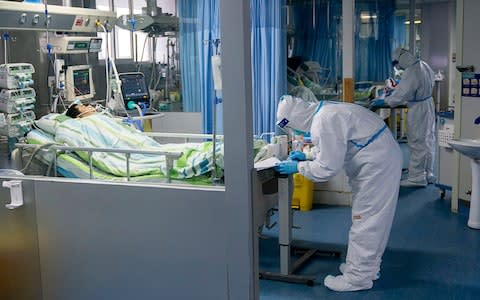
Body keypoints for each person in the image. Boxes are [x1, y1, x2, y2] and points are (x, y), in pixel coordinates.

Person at [275, 96, 402, 292]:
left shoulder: (323, 121)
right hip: (380, 158)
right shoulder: (325, 111)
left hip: (377, 165)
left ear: (295, 119)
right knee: (373, 220)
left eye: (292, 127)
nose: (296, 132)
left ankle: (357, 278)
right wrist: (309, 156)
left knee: (366, 220)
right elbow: (335, 146)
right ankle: (367, 269)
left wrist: (299, 167)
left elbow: (327, 168)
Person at [371, 48, 436, 187]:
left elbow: (402, 94)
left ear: (401, 58)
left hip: (418, 109)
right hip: (428, 104)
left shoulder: (412, 71)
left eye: (397, 63)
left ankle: (417, 177)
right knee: (428, 140)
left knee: (417, 141)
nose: (398, 67)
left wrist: (386, 101)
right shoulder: (423, 65)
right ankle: (427, 172)